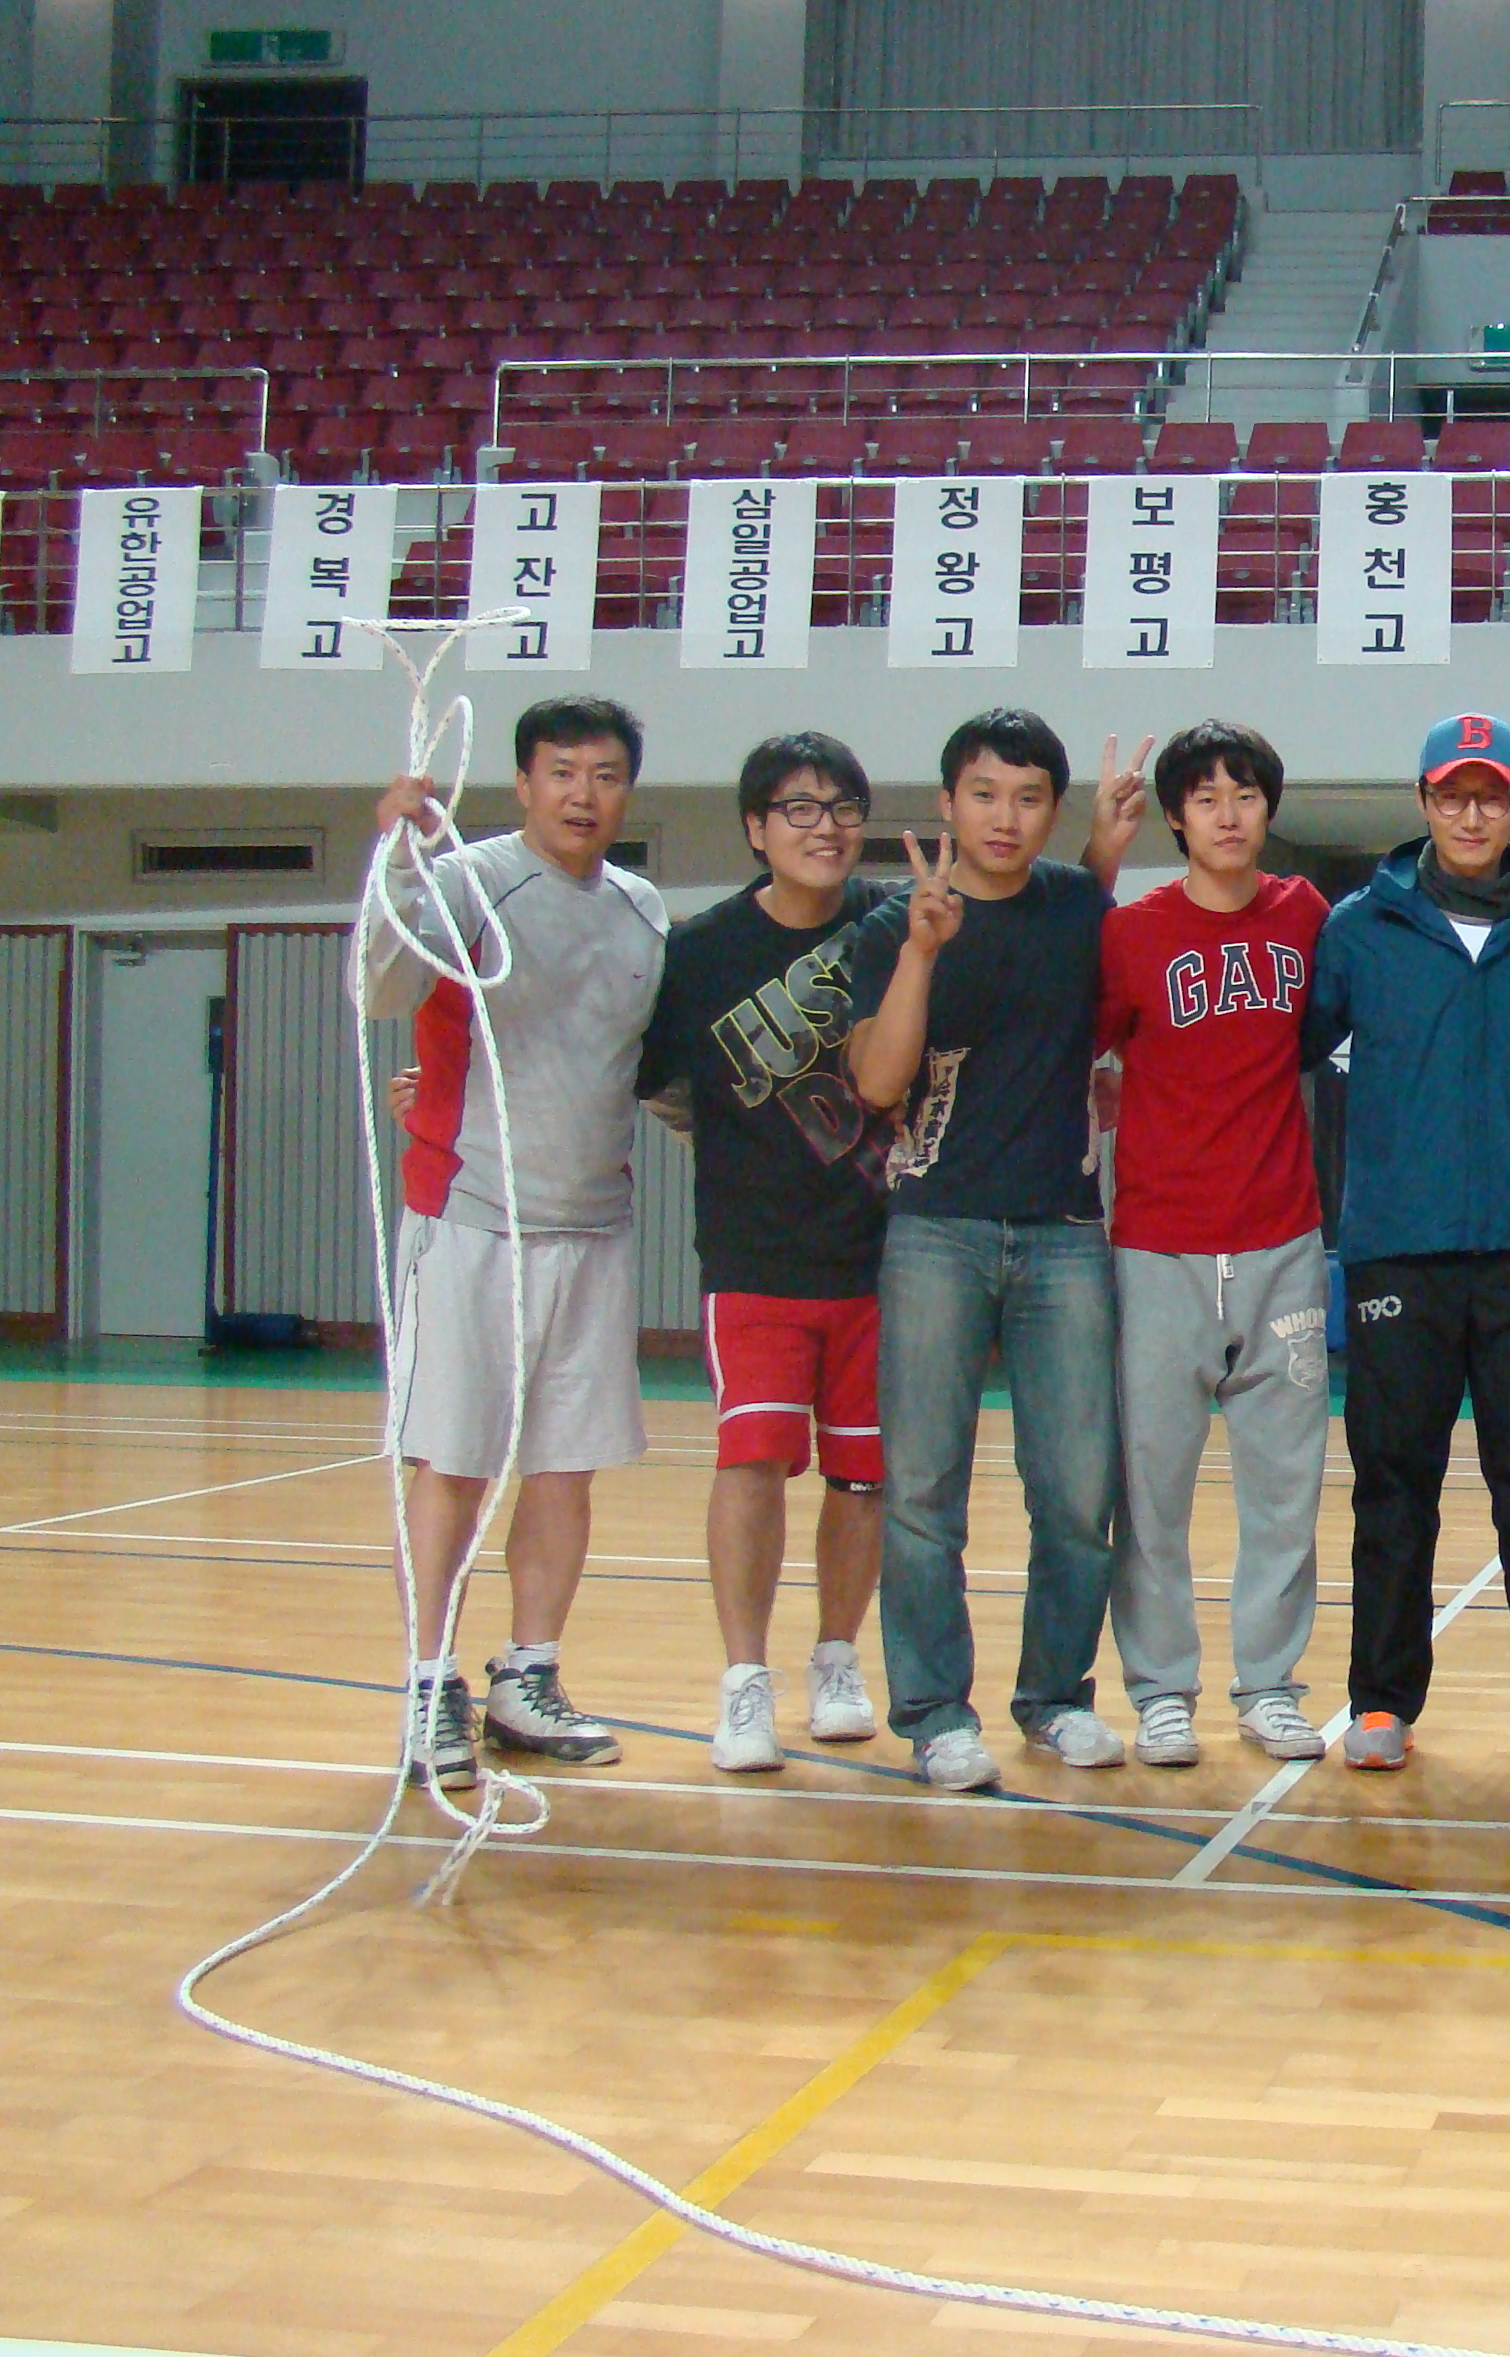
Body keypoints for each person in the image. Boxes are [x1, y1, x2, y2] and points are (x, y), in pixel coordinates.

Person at [1300, 713, 1510, 1769]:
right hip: (1397, 1246)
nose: (1472, 814)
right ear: (1424, 800)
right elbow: (1286, 1053)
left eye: (1491, 795)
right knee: (1394, 1486)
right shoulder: (1360, 927)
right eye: (1453, 793)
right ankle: (1380, 1703)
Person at [364, 694, 668, 1790]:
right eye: (562, 773)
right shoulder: (465, 882)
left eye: (605, 775)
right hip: (469, 1220)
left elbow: (648, 1071)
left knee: (562, 1468)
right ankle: (428, 1684)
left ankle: (526, 1677)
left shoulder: (642, 911)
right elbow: (382, 987)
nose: (584, 795)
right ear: (525, 784)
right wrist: (397, 864)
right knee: (452, 1461)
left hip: (593, 1228)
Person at [844, 710, 1147, 1793]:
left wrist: (1105, 848)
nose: (1003, 817)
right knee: (924, 1492)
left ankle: (1056, 1698)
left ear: (1052, 811)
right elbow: (878, 1083)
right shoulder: (894, 923)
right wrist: (923, 951)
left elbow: (1071, 949)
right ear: (947, 803)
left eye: (1027, 798)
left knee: (1075, 1493)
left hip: (1064, 1235)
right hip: (935, 1230)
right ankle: (934, 1714)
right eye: (982, 794)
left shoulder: (1078, 904)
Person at [633, 732, 892, 1772]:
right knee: (752, 1462)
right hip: (753, 1259)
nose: (825, 827)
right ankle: (745, 1680)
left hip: (884, 1253)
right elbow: (653, 1081)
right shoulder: (700, 952)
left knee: (865, 1476)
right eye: (799, 809)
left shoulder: (890, 926)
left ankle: (838, 1660)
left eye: (843, 807)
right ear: (755, 827)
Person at [1093, 718, 1331, 1768]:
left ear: (1268, 809)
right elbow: (1079, 1044)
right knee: (1151, 1493)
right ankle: (1160, 1692)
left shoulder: (1307, 914)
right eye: (1205, 798)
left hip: (1282, 1239)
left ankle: (1270, 1687)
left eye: (1245, 795)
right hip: (1159, 1246)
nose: (1228, 814)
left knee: (1287, 1489)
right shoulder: (1132, 932)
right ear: (1177, 817)